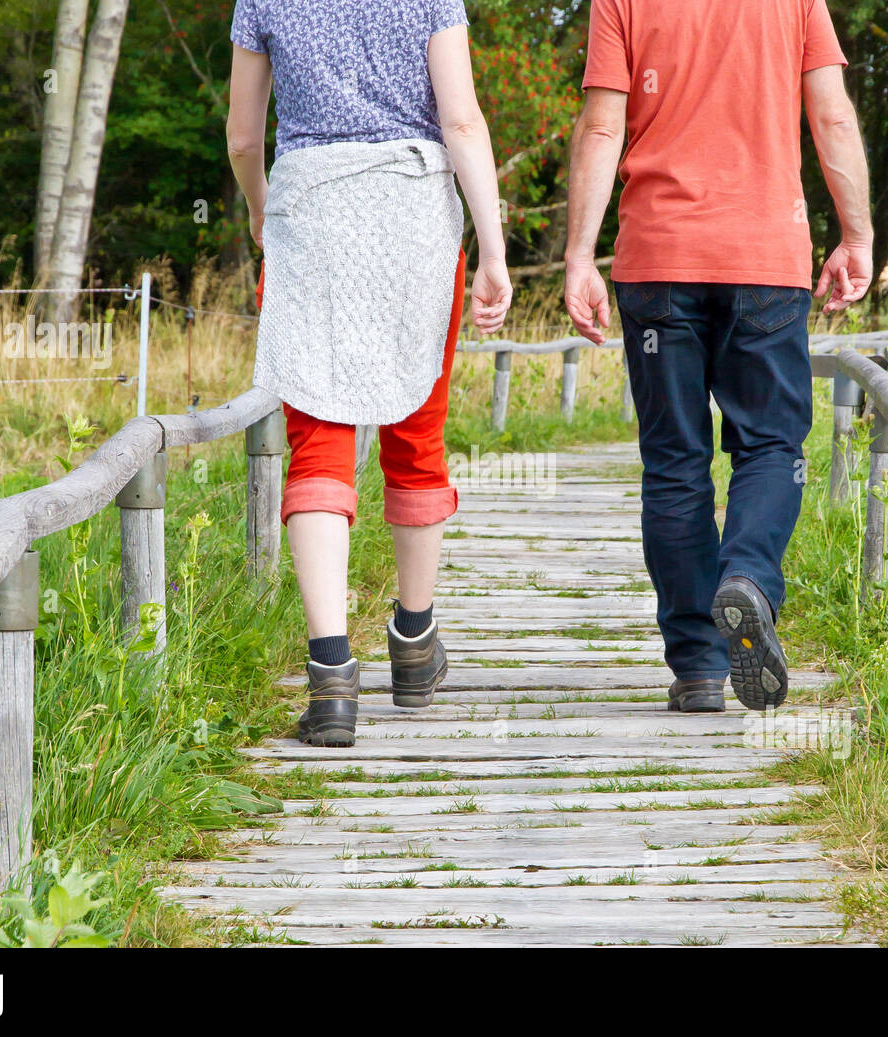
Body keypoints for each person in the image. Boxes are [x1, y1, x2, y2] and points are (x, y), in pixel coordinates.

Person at [564, 0, 873, 713]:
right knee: (770, 444)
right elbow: (830, 116)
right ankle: (749, 578)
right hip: (766, 258)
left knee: (675, 461)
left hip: (658, 261)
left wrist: (579, 255)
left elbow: (603, 124)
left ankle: (699, 665)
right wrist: (855, 236)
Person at [227, 1, 512, 747]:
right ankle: (414, 648)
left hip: (311, 211)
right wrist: (493, 248)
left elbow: (242, 136)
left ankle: (331, 681)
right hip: (413, 212)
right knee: (416, 432)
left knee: (318, 441)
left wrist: (263, 211)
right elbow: (461, 123)